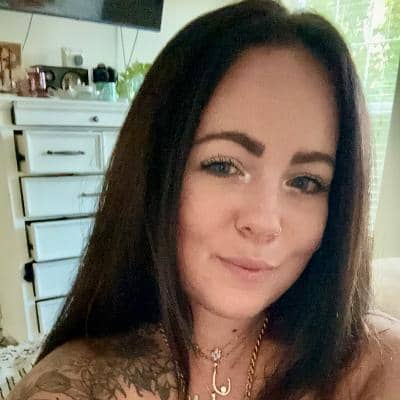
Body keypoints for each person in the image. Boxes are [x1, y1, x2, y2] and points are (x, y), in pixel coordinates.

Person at [8, 1, 400, 399]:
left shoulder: (377, 366)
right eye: (224, 166)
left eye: (305, 181)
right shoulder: (75, 384)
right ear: (155, 172)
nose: (265, 222)